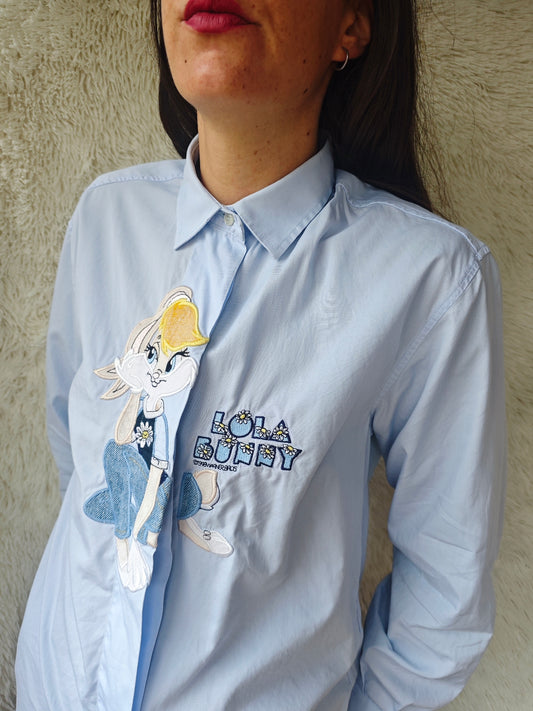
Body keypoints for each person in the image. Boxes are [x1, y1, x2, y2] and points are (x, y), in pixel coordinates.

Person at [15, 0, 506, 709]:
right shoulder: (105, 219)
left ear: (352, 24)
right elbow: (80, 454)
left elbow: (446, 592)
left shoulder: (431, 280)